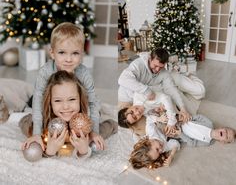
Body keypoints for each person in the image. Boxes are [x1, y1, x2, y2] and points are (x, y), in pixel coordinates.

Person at [22, 22, 105, 151]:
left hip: (74, 110)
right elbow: (38, 100)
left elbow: (93, 102)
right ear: (52, 53)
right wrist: (37, 134)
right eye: (62, 52)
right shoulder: (45, 71)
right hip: (52, 107)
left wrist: (94, 132)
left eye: (75, 53)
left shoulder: (84, 74)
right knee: (33, 127)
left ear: (82, 54)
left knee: (94, 127)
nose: (68, 59)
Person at [22, 71, 117, 158]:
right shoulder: (42, 122)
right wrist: (49, 152)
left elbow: (112, 124)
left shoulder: (89, 123)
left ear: (80, 99)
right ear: (50, 102)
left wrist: (84, 151)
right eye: (58, 100)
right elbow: (24, 121)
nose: (66, 106)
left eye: (72, 99)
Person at [118, 48, 205, 117]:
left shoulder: (164, 72)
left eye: (161, 67)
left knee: (200, 92)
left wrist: (182, 108)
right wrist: (146, 90)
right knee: (128, 120)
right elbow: (122, 79)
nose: (157, 70)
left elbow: (172, 89)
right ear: (150, 58)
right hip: (129, 96)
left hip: (156, 88)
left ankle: (188, 76)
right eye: (155, 66)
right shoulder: (138, 64)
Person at [129, 114, 235, 170]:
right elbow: (176, 143)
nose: (161, 149)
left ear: (149, 142)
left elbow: (149, 120)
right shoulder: (163, 148)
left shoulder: (151, 132)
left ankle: (136, 134)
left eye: (157, 149)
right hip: (176, 130)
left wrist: (159, 119)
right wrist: (171, 155)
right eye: (159, 152)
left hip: (163, 126)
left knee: (142, 128)